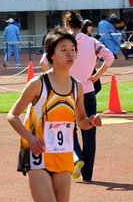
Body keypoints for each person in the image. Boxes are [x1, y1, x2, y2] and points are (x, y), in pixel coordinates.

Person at [7, 30, 103, 202]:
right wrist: (31, 138)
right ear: (51, 55)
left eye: (73, 50)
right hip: (36, 152)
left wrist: (91, 122)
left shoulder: (77, 87)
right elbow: (12, 115)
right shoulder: (39, 84)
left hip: (62, 154)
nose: (70, 54)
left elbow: (79, 121)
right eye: (64, 50)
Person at [39, 11, 113, 182]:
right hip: (87, 90)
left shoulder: (62, 42)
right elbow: (108, 57)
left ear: (67, 25)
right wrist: (97, 76)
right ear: (82, 25)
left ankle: (77, 156)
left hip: (66, 90)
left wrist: (54, 80)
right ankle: (88, 174)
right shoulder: (92, 41)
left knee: (68, 128)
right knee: (90, 129)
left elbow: (43, 62)